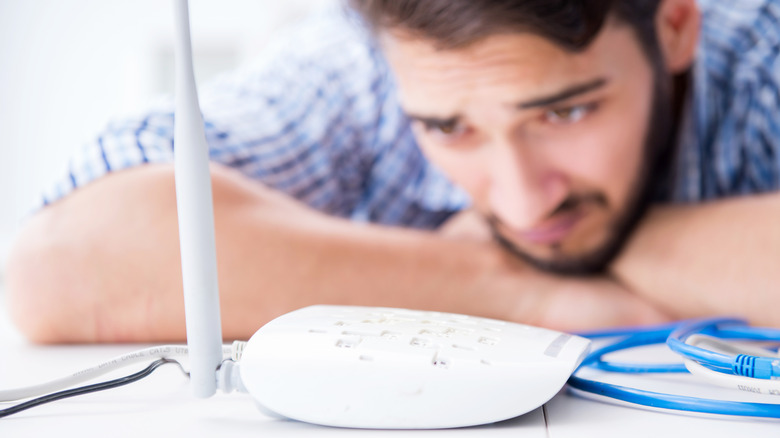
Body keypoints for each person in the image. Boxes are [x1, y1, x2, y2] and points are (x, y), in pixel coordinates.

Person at [5, 0, 780, 344]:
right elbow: (64, 266)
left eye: (565, 113)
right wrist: (515, 286)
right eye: (449, 129)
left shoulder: (763, 49)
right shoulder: (366, 64)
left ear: (676, 25)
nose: (518, 200)